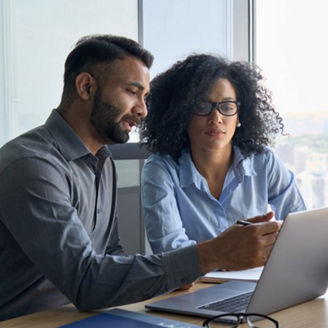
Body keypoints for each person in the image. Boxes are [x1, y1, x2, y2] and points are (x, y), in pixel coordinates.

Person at [0, 36, 280, 321]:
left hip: (81, 317)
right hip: (26, 321)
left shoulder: (102, 160)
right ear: (86, 87)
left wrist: (176, 271)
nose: (142, 110)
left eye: (144, 97)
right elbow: (85, 283)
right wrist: (212, 254)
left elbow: (111, 255)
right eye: (132, 92)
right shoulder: (32, 166)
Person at [141, 54, 306, 254]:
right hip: (195, 285)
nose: (216, 118)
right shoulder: (161, 169)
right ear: (182, 114)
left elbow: (300, 227)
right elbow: (170, 252)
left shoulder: (263, 161)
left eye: (227, 107)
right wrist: (227, 254)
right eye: (202, 106)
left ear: (239, 116)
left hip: (259, 280)